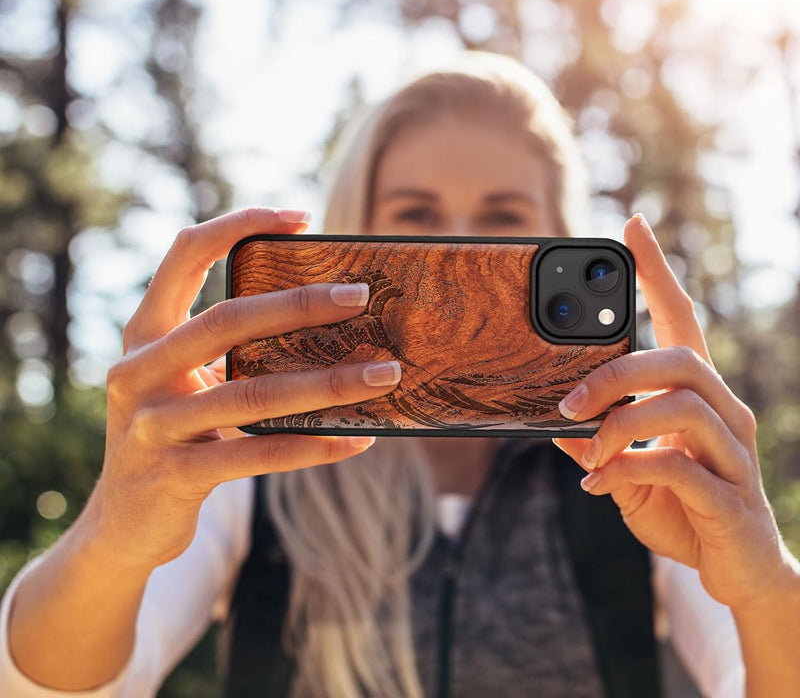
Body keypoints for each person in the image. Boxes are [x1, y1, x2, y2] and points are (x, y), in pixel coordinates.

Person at [1, 52, 799, 698]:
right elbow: (55, 687)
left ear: (560, 238)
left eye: (503, 220)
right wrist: (114, 534)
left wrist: (765, 588)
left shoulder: (636, 471)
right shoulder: (254, 465)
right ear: (356, 233)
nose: (456, 252)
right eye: (415, 217)